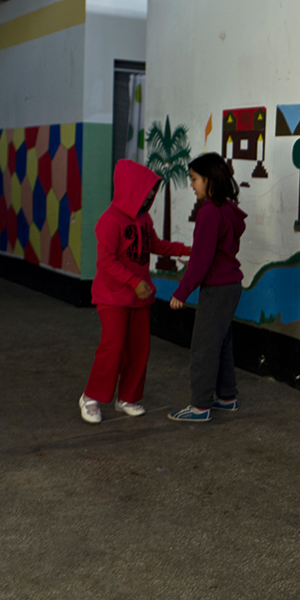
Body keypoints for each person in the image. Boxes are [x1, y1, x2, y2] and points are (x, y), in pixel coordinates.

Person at [79, 159, 189, 424]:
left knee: (139, 349)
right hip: (112, 297)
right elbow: (105, 260)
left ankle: (127, 397)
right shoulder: (109, 221)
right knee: (113, 346)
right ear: (130, 187)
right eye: (146, 189)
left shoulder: (144, 219)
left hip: (139, 299)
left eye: (152, 190)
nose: (151, 195)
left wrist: (188, 251)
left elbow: (156, 245)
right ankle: (90, 396)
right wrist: (133, 281)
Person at [167, 152, 247, 422]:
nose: (191, 185)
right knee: (221, 344)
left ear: (209, 179)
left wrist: (181, 293)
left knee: (203, 347)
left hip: (217, 289)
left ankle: (200, 407)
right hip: (231, 285)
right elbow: (218, 253)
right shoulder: (226, 208)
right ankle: (227, 397)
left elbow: (202, 262)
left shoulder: (209, 212)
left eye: (194, 179)